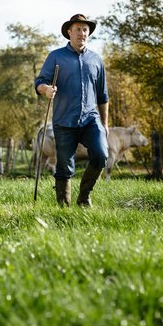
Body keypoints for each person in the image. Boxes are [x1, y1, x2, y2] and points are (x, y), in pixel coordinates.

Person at [34, 14, 109, 207]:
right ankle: (63, 207)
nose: (82, 33)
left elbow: (103, 95)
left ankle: (84, 198)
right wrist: (47, 90)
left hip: (91, 119)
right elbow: (40, 82)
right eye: (78, 29)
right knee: (64, 166)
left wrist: (105, 123)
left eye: (85, 30)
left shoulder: (96, 60)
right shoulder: (56, 57)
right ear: (69, 32)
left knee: (101, 155)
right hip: (64, 120)